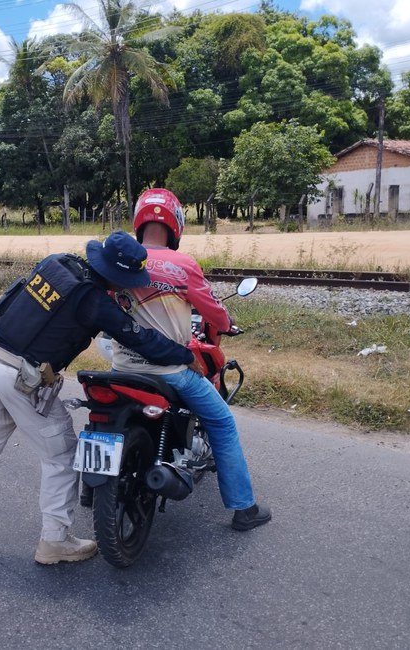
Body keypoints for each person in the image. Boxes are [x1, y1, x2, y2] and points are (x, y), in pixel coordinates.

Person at [0, 231, 205, 564]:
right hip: (23, 379)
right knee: (62, 456)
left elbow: (3, 304)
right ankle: (55, 542)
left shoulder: (55, 263)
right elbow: (141, 340)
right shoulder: (95, 301)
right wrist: (183, 354)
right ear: (117, 276)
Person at [110, 188, 272, 532]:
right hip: (170, 370)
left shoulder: (119, 260)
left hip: (120, 368)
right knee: (223, 423)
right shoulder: (182, 264)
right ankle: (244, 509)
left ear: (139, 221)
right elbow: (212, 308)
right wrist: (226, 324)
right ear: (175, 225)